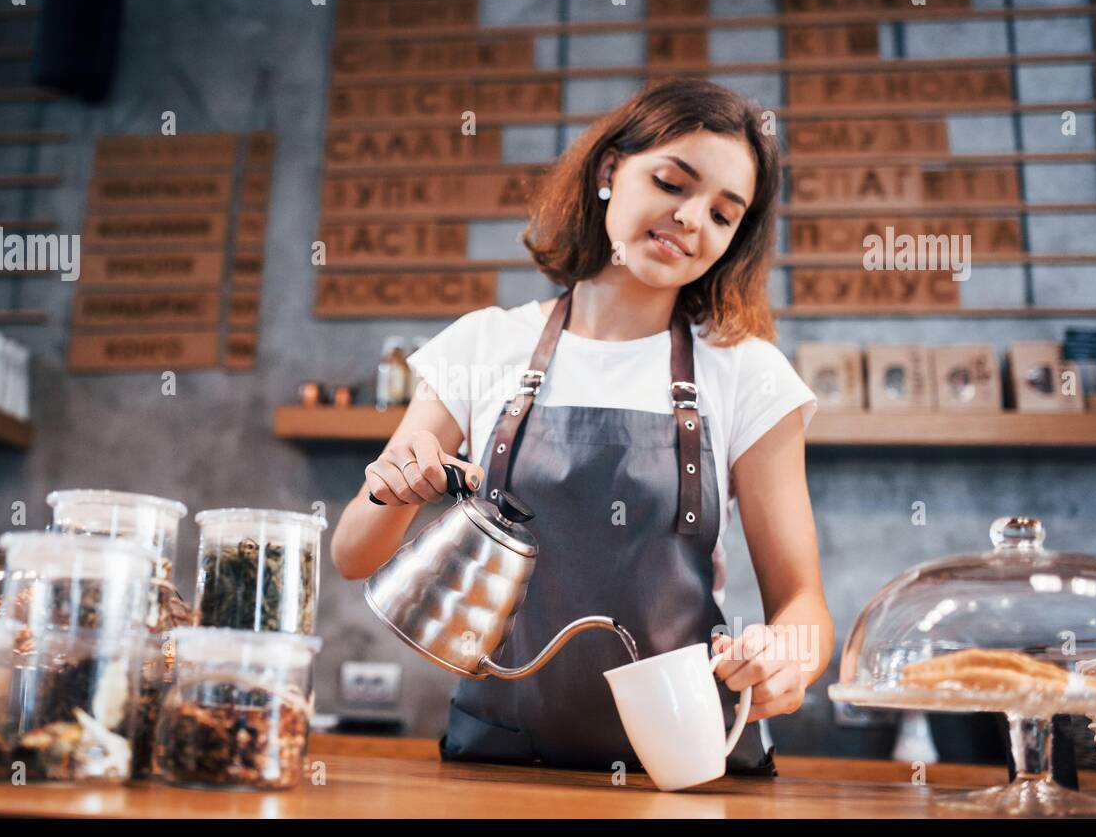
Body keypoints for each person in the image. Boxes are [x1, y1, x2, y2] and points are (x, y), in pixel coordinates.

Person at [331, 76, 834, 775]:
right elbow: (354, 555)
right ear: (608, 171)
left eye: (723, 214)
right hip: (502, 765)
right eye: (671, 182)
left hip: (687, 767)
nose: (691, 220)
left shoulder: (748, 373)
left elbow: (802, 601)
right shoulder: (483, 345)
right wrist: (393, 492)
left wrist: (789, 658)